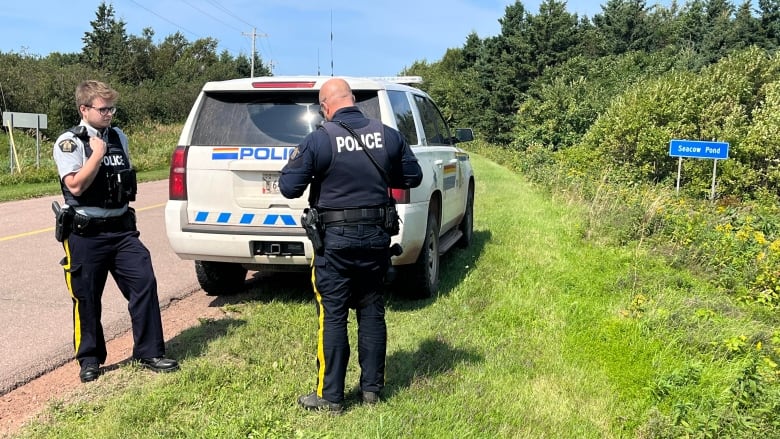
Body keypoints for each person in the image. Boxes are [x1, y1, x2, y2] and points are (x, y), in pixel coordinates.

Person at [279, 77, 423, 412]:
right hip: (376, 239)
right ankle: (371, 390)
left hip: (335, 243)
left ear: (325, 107)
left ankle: (331, 397)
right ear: (353, 99)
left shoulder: (320, 139)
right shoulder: (387, 134)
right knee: (372, 311)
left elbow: (288, 187)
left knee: (333, 315)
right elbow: (412, 176)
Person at [52, 80, 179, 383]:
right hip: (85, 233)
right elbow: (75, 185)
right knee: (87, 297)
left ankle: (149, 352)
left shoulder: (118, 136)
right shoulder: (69, 142)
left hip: (121, 231)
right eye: (103, 108)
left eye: (112, 108)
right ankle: (90, 359)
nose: (109, 114)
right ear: (84, 109)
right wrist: (95, 154)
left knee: (144, 282)